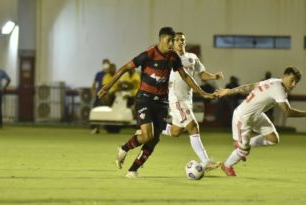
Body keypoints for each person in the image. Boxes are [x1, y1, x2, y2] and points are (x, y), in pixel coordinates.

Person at [98, 27, 215, 178]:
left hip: (161, 103)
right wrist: (107, 87)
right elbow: (125, 68)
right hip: (144, 99)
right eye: (170, 40)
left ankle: (132, 170)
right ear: (161, 39)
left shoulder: (173, 57)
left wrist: (202, 92)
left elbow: (185, 76)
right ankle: (124, 148)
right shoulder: (148, 54)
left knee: (153, 140)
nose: (172, 43)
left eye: (174, 40)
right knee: (147, 135)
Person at [215, 67, 306, 176]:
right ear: (284, 76)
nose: (293, 85)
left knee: (273, 139)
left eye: (296, 82)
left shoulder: (273, 81)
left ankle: (242, 144)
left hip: (256, 115)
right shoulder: (279, 89)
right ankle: (227, 165)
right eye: (292, 80)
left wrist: (230, 91)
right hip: (243, 118)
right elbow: (288, 113)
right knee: (244, 151)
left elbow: (251, 86)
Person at [161, 32, 223, 169]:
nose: (179, 42)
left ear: (185, 41)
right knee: (193, 127)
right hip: (176, 99)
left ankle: (155, 126)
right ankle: (206, 162)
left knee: (176, 131)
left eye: (182, 40)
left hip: (187, 99)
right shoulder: (169, 57)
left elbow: (201, 74)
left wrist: (214, 77)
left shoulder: (192, 57)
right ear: (172, 42)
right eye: (176, 40)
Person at [90, 58, 110, 134]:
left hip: (107, 95)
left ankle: (107, 127)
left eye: (107, 64)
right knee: (94, 108)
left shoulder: (111, 74)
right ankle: (95, 127)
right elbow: (93, 85)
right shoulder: (99, 74)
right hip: (99, 95)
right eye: (104, 64)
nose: (105, 65)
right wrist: (93, 94)